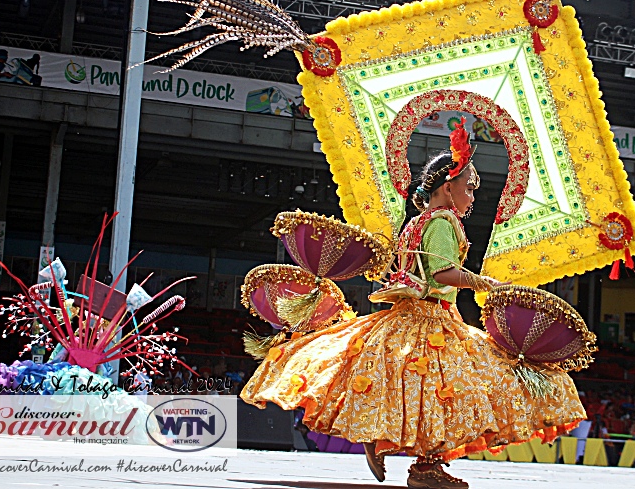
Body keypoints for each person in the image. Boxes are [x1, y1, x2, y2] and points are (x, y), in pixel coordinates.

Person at [240, 124, 586, 489]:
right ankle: (424, 467)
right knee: (451, 393)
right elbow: (442, 272)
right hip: (432, 322)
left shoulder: (416, 222)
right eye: (469, 187)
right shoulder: (444, 222)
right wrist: (485, 283)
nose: (472, 196)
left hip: (405, 318)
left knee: (420, 392)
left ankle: (388, 443)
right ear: (447, 187)